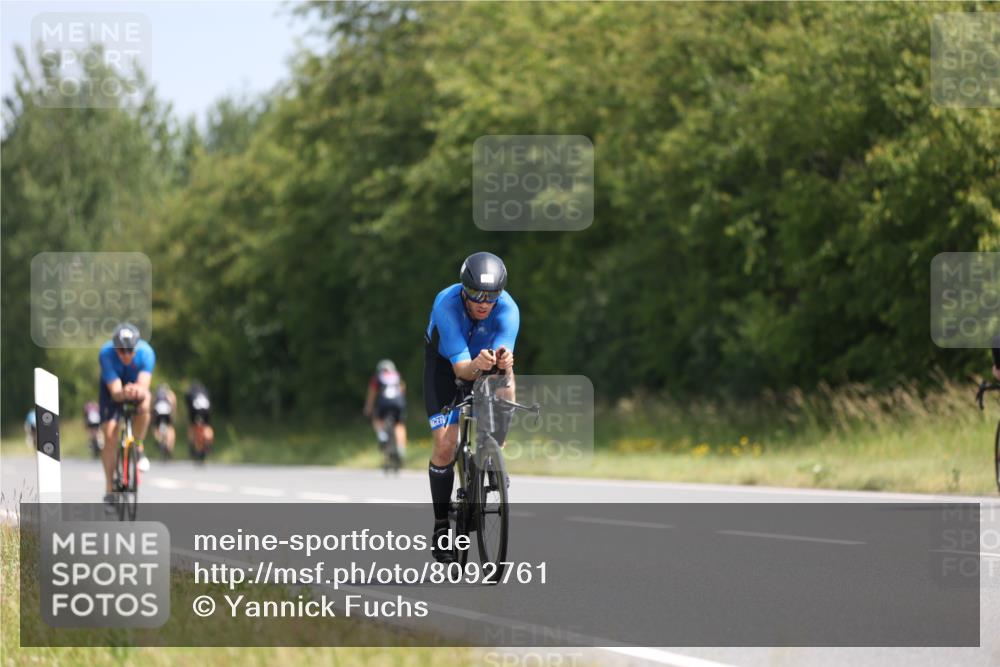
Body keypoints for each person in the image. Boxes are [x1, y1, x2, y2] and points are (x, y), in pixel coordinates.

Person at [423, 252, 518, 563]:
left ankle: (494, 451)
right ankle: (440, 527)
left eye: (491, 296)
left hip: (484, 359)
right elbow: (462, 371)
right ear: (464, 289)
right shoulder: (446, 305)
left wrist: (503, 360)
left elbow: (504, 355)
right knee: (445, 445)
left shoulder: (508, 309)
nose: (483, 302)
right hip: (448, 364)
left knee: (506, 374)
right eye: (476, 294)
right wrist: (476, 366)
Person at [99, 322, 155, 504]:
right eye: (121, 350)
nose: (126, 354)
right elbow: (115, 392)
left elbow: (144, 386)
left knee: (145, 402)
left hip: (135, 387)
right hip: (112, 391)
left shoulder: (147, 353)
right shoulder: (106, 354)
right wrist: (124, 392)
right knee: (110, 434)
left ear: (136, 347)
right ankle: (110, 489)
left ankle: (138, 445)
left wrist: (136, 391)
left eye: (130, 350)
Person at [363, 359, 408, 462]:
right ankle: (401, 450)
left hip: (384, 403)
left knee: (377, 419)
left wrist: (368, 407)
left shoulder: (377, 377)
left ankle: (382, 436)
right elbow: (403, 389)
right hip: (398, 403)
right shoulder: (398, 375)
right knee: (400, 425)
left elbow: (372, 393)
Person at [185, 381, 214, 457]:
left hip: (196, 410)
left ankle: (192, 444)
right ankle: (208, 442)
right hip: (206, 410)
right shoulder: (205, 391)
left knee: (192, 426)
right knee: (207, 426)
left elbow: (189, 406)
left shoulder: (191, 392)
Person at [153, 384, 177, 457]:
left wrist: (152, 417)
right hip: (167, 411)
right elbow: (173, 405)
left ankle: (159, 441)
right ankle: (169, 446)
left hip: (158, 411)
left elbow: (152, 405)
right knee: (170, 427)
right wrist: (173, 416)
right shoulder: (170, 394)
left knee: (156, 427)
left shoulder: (156, 394)